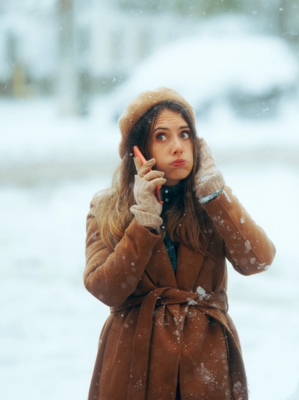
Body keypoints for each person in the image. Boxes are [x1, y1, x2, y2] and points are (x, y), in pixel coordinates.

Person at [84, 87, 276, 400]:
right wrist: (143, 220)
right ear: (138, 150)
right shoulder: (107, 208)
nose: (177, 147)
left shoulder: (210, 203)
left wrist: (216, 195)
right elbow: (105, 288)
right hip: (135, 361)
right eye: (162, 136)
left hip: (204, 362)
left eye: (185, 134)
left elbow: (258, 260)